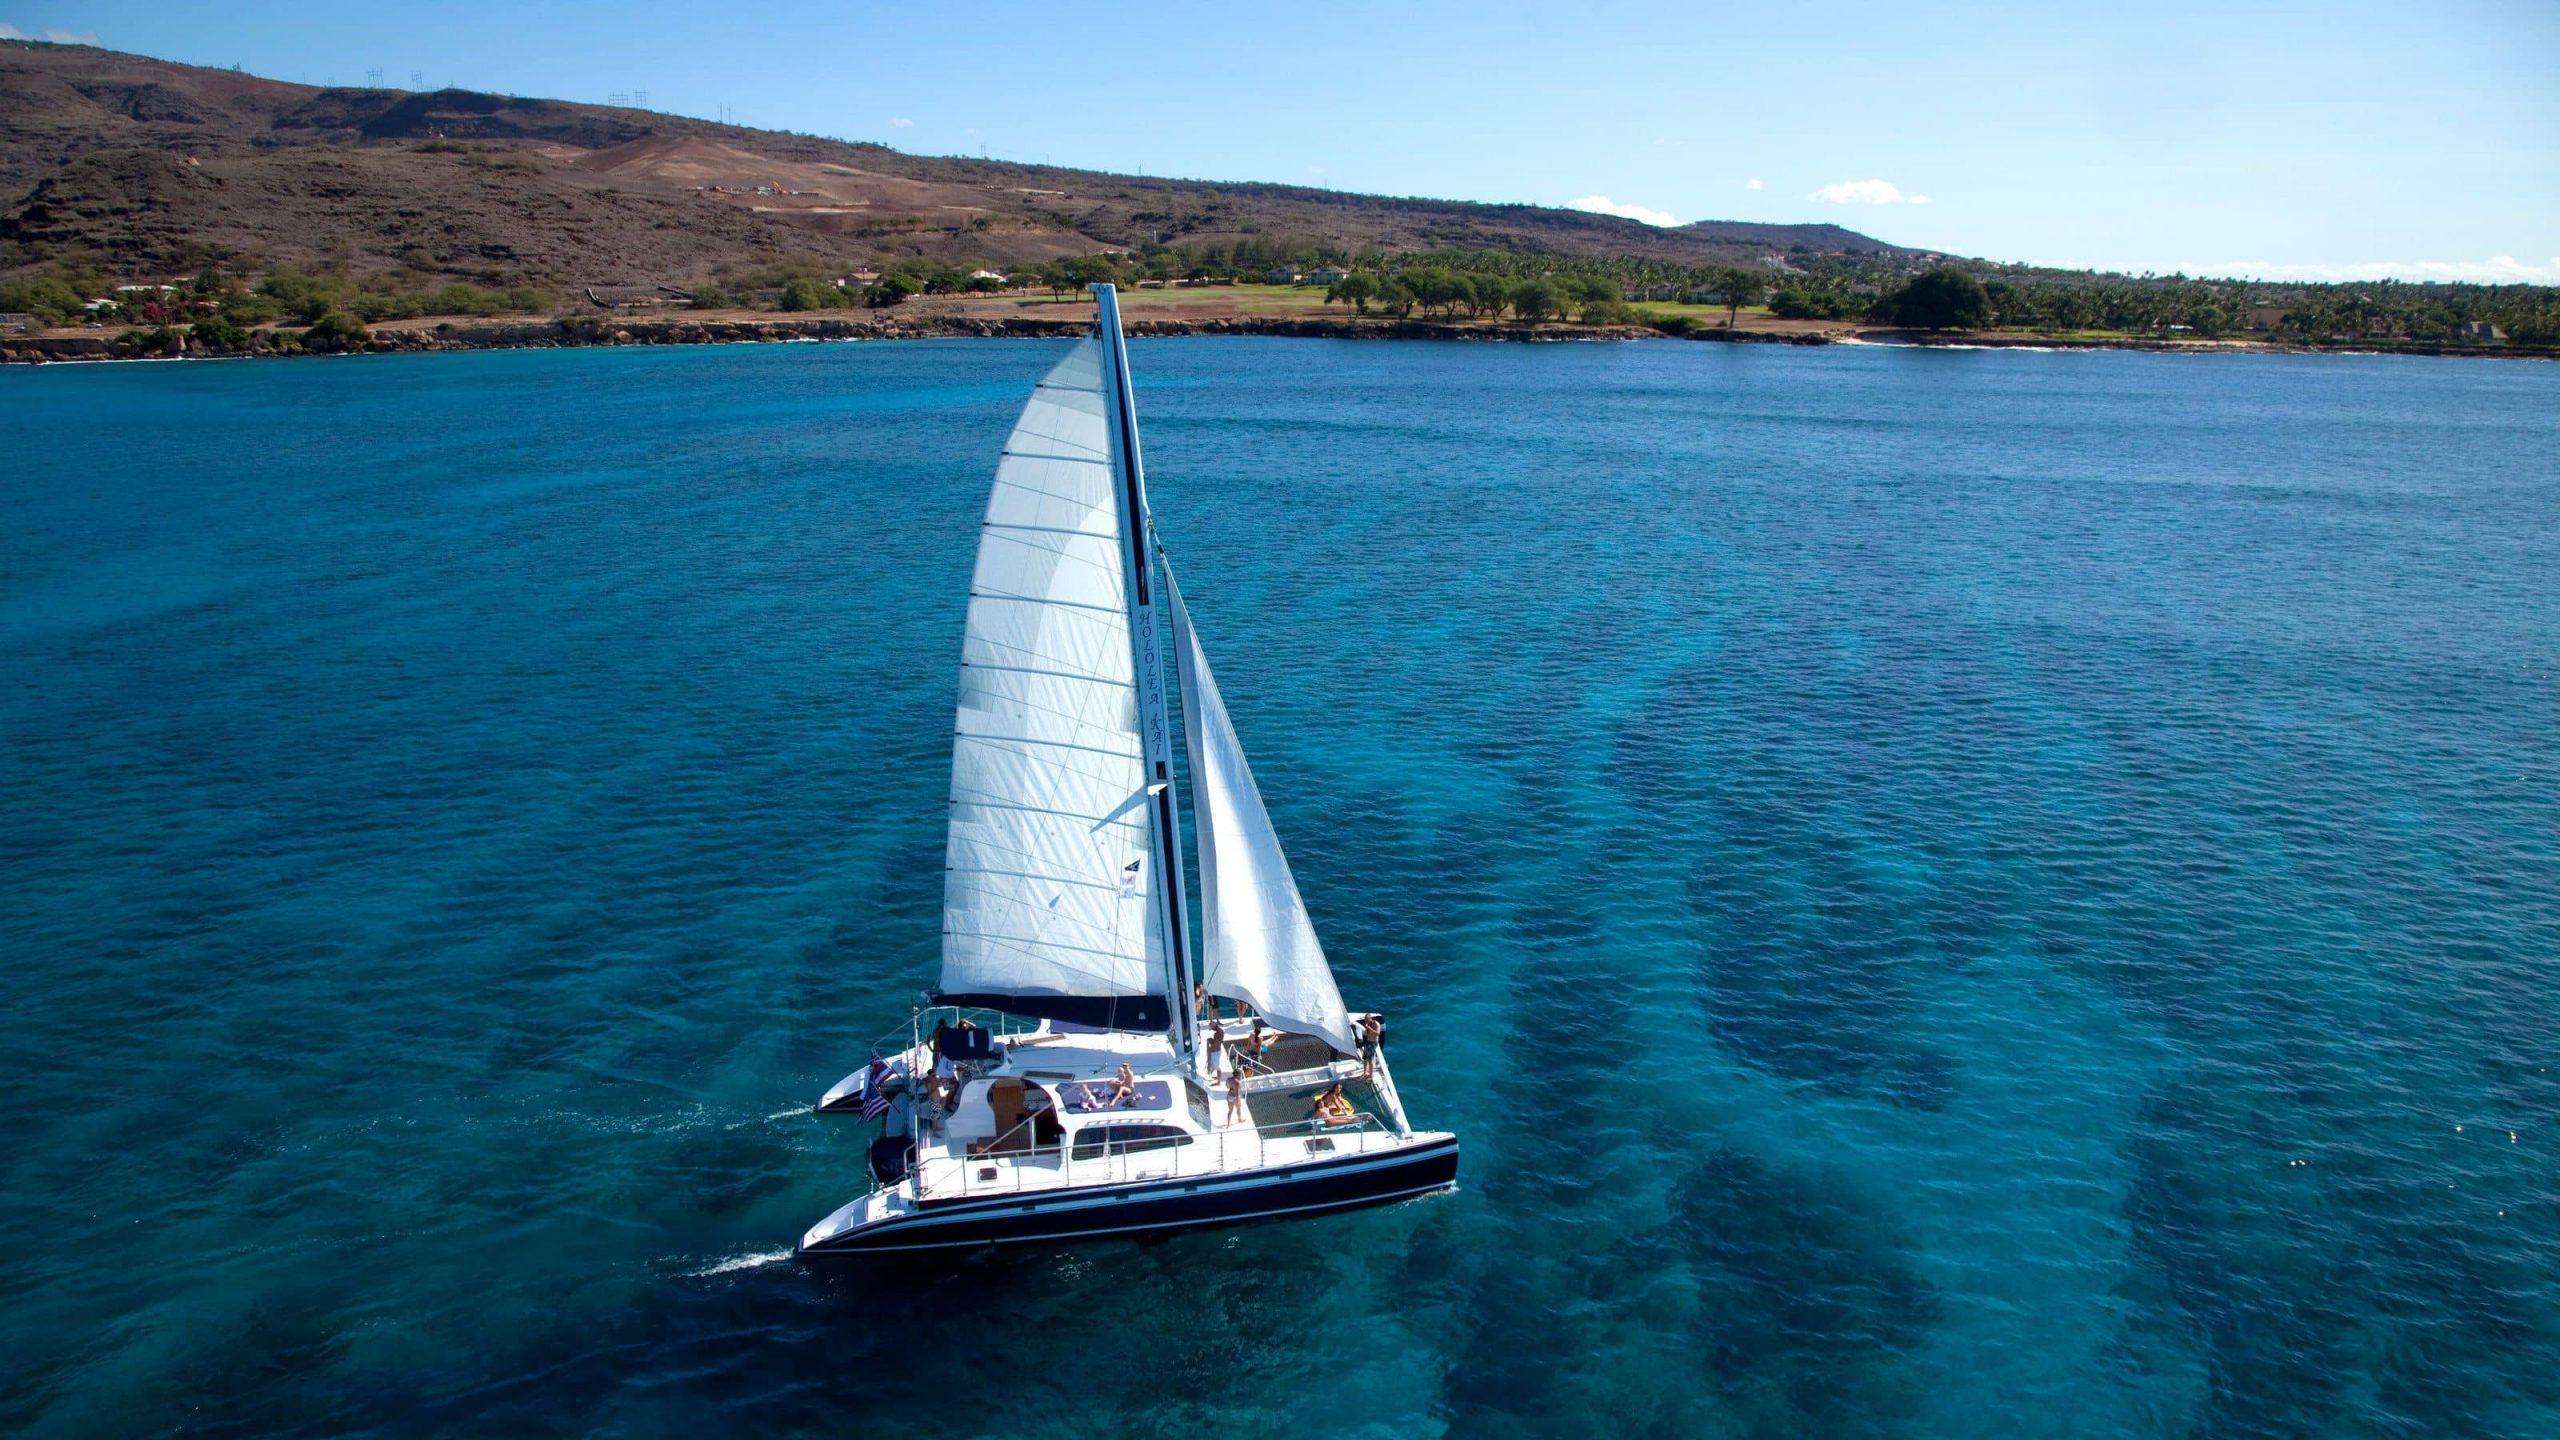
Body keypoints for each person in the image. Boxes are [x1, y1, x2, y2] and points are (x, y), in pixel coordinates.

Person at [1359, 1013, 1384, 1082]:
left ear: (1370, 1019)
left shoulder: (1376, 1023)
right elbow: (1367, 1034)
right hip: (1368, 1042)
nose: (1366, 1021)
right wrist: (1367, 1029)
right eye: (1365, 1020)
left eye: (1367, 1020)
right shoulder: (1368, 1024)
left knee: (1370, 1059)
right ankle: (1365, 1072)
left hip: (1373, 1043)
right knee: (1365, 1058)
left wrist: (1369, 1028)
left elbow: (1378, 1033)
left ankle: (1371, 1074)